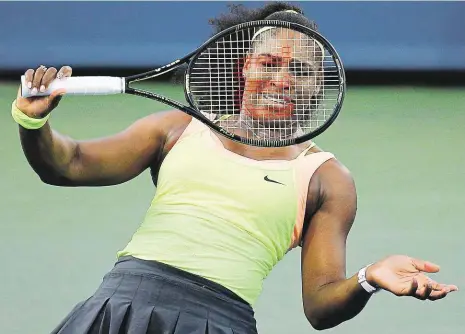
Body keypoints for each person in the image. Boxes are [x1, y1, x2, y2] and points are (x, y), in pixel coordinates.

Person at [12, 3, 458, 334]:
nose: (281, 80)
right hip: (120, 306)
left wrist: (368, 278)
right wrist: (34, 121)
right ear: (244, 67)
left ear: (318, 85)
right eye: (269, 63)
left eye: (299, 70)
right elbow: (66, 164)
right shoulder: (175, 129)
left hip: (217, 321)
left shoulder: (326, 178)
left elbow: (320, 307)